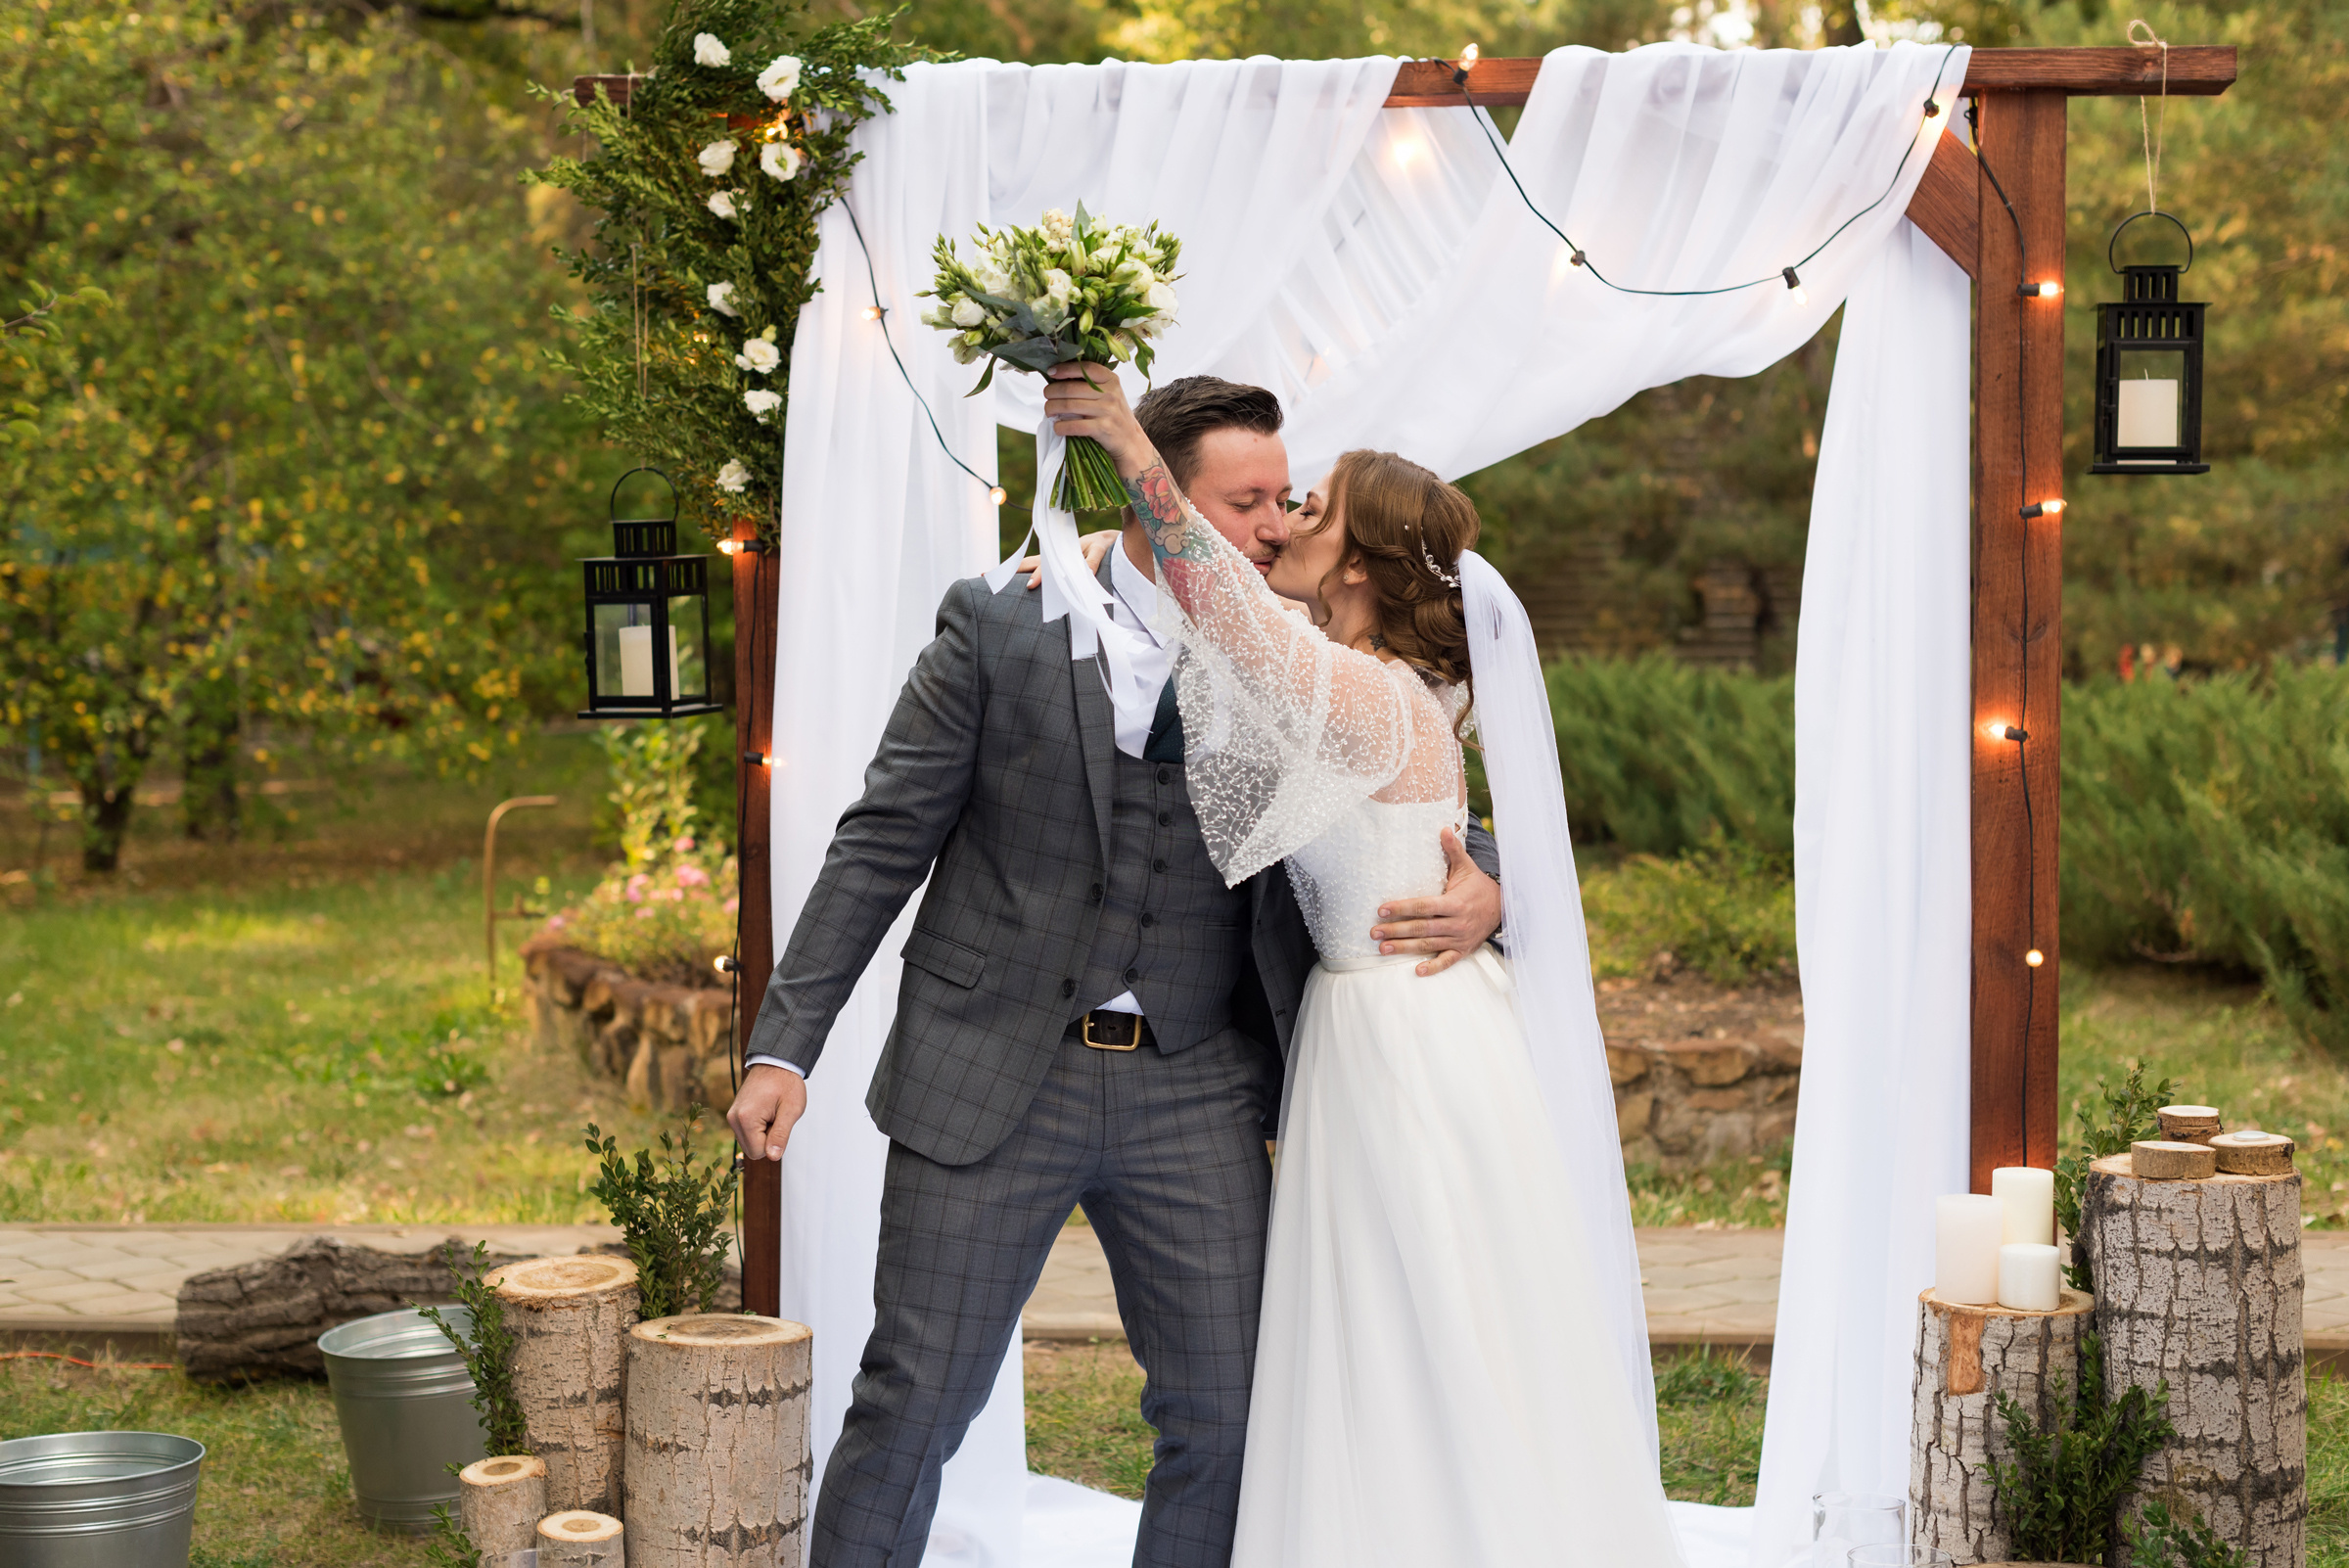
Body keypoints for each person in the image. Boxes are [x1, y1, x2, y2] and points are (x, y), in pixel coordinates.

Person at [725, 374, 1505, 1568]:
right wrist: (786, 1046)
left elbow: (1419, 782)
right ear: (1160, 505)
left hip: (1196, 1082)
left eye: (1287, 501)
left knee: (1229, 1418)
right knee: (914, 1402)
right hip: (990, 1070)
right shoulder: (1001, 620)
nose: (1277, 526)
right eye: (1246, 502)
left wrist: (1489, 878)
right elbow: (882, 839)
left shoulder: (1302, 651)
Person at [1045, 362, 1689, 1567]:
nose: (1283, 523)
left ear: (1359, 565)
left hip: (1401, 1041)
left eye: (1313, 509)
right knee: (1405, 1316)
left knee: (1421, 1317)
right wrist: (1084, 552)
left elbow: (1218, 603)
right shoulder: (1390, 683)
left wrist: (1133, 446)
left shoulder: (1363, 694)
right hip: (1393, 1024)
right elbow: (1210, 606)